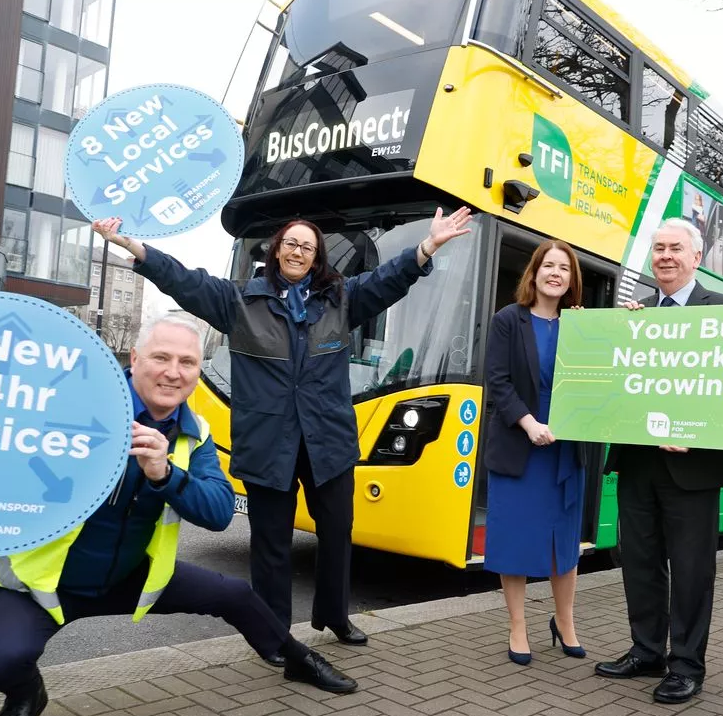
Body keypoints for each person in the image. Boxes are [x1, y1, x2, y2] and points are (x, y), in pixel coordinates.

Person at [0, 315, 358, 716]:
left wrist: (164, 473)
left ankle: (297, 659)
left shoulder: (194, 434)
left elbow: (221, 513)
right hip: (44, 584)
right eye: (161, 357)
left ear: (198, 373)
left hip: (132, 576)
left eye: (187, 362)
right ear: (134, 359)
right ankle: (23, 700)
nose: (173, 372)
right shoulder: (69, 406)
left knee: (236, 596)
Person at [92, 208, 472, 659]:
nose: (298, 252)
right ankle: (273, 632)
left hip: (327, 442)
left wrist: (428, 246)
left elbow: (387, 279)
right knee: (270, 544)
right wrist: (132, 247)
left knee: (337, 531)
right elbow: (183, 280)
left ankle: (334, 614)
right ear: (277, 251)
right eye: (291, 243)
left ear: (316, 257)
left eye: (308, 247)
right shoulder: (238, 301)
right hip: (268, 444)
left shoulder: (340, 299)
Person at [594, 218, 723, 703]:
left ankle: (687, 665)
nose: (666, 256)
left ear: (696, 257)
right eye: (659, 249)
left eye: (676, 248)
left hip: (693, 468)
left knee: (692, 571)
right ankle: (647, 651)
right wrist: (622, 335)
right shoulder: (637, 315)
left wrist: (698, 434)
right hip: (638, 462)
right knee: (639, 561)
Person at [483, 240, 587, 665]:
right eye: (549, 265)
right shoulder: (508, 319)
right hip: (519, 443)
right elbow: (498, 381)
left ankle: (565, 621)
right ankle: (517, 626)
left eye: (564, 268)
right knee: (515, 537)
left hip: (565, 447)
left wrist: (627, 321)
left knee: (564, 540)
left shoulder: (581, 325)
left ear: (571, 279)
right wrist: (528, 424)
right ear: (535, 271)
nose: (555, 273)